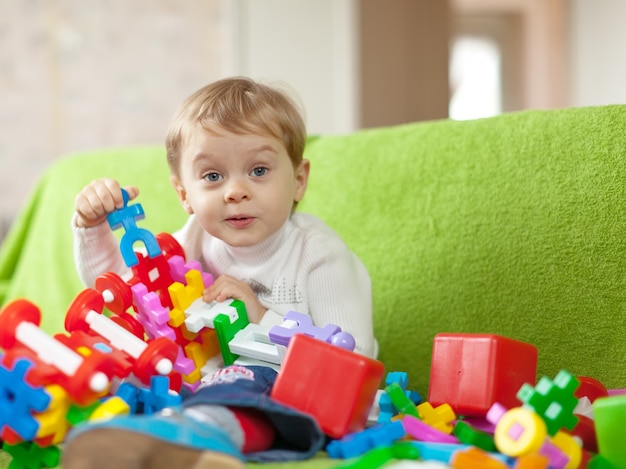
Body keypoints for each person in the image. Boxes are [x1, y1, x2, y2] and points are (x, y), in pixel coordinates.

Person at [63, 77, 378, 468]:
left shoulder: (318, 254)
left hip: (281, 398)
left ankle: (200, 444)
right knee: (115, 357)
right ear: (184, 195)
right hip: (191, 382)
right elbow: (124, 296)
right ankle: (106, 435)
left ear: (298, 180)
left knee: (245, 379)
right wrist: (92, 228)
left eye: (259, 170)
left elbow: (357, 356)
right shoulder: (195, 238)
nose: (235, 191)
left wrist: (262, 320)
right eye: (213, 176)